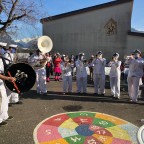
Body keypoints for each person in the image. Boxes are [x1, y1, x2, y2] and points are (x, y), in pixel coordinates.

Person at [0, 52, 15, 126]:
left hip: (2, 82)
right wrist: (7, 78)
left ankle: (4, 116)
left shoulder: (1, 58)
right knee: (1, 100)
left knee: (5, 99)